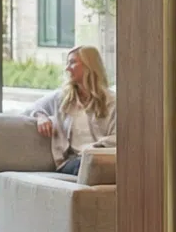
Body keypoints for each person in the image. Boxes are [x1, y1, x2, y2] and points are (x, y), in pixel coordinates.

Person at [27, 45, 116, 175]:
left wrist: (94, 148)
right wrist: (41, 116)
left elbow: (119, 138)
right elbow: (34, 107)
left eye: (72, 62)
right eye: (67, 63)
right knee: (86, 165)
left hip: (101, 157)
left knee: (100, 165)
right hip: (73, 161)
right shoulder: (61, 98)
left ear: (88, 65)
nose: (67, 68)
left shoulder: (111, 101)